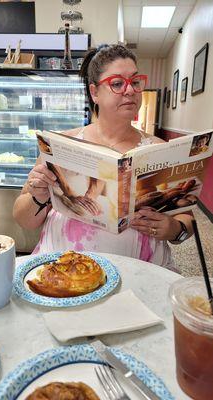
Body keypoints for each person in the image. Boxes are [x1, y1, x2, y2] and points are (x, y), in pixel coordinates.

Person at [13, 44, 194, 271]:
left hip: (139, 265)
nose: (130, 90)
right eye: (117, 83)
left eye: (135, 82)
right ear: (94, 92)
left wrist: (173, 228)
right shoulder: (61, 145)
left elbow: (186, 219)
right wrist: (38, 195)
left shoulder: (158, 149)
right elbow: (24, 220)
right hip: (66, 264)